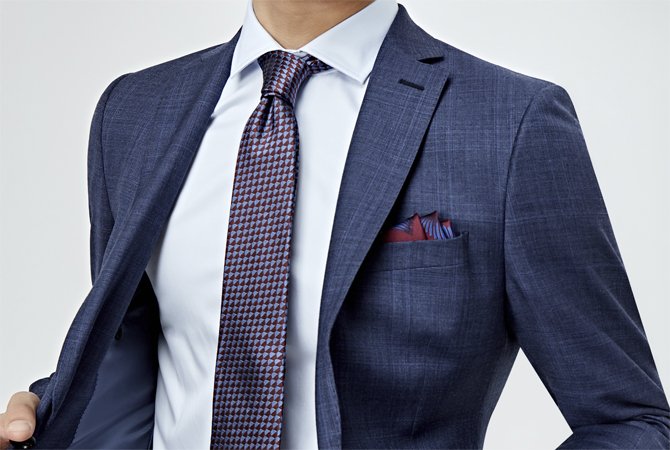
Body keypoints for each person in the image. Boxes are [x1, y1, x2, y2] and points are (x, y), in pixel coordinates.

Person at [1, 0, 669, 448]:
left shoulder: (510, 122)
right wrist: (49, 406)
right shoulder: (134, 110)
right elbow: (143, 344)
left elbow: (630, 420)